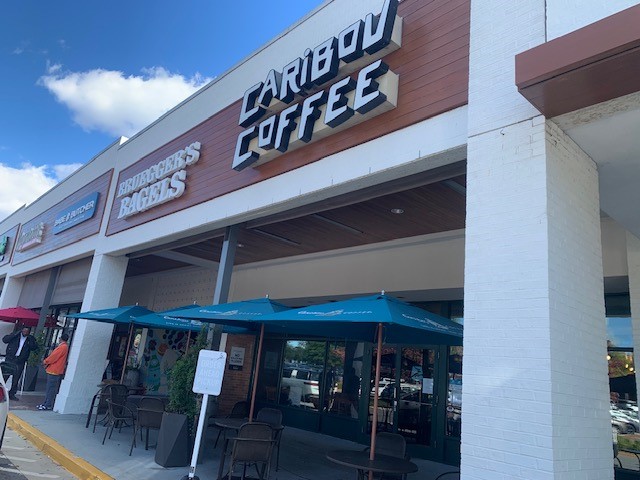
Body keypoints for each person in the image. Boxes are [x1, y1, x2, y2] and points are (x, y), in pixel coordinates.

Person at [2, 326, 39, 400]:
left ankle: (11, 394)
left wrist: (31, 339)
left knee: (16, 378)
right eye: (24, 331)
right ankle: (1, 392)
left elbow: (34, 347)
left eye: (27, 332)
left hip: (20, 361)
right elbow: (5, 340)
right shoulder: (15, 336)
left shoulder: (30, 339)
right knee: (5, 376)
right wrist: (14, 334)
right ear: (21, 330)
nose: (25, 333)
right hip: (10, 359)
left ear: (29, 332)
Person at [37, 333, 69, 411]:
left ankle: (47, 404)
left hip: (54, 370)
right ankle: (46, 403)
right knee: (50, 388)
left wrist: (45, 361)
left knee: (50, 389)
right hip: (55, 370)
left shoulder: (62, 347)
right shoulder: (64, 347)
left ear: (60, 339)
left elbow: (53, 357)